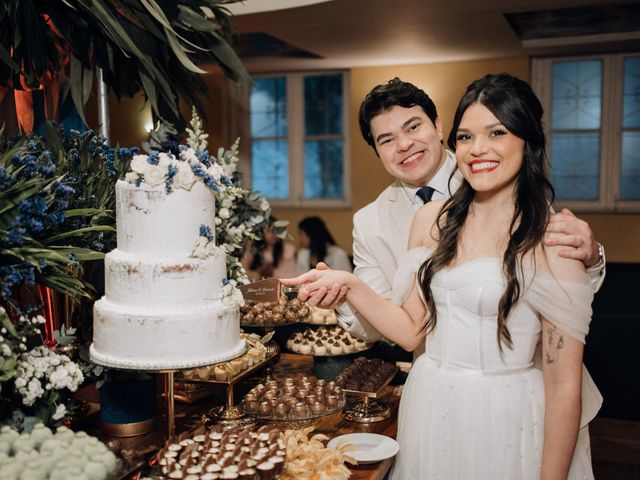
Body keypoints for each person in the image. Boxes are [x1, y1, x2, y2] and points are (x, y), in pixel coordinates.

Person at [282, 74, 600, 479]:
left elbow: (562, 376)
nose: (478, 148)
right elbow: (413, 328)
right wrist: (349, 285)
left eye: (496, 132)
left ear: (437, 129)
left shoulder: (547, 229)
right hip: (433, 401)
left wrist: (593, 255)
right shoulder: (419, 219)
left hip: (511, 404)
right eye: (467, 137)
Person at [308, 77, 606, 344]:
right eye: (386, 140)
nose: (404, 144)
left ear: (438, 127)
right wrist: (345, 296)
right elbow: (384, 326)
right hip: (434, 375)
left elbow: (562, 292)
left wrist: (591, 260)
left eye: (413, 126)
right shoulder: (369, 222)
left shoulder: (495, 175)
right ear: (377, 152)